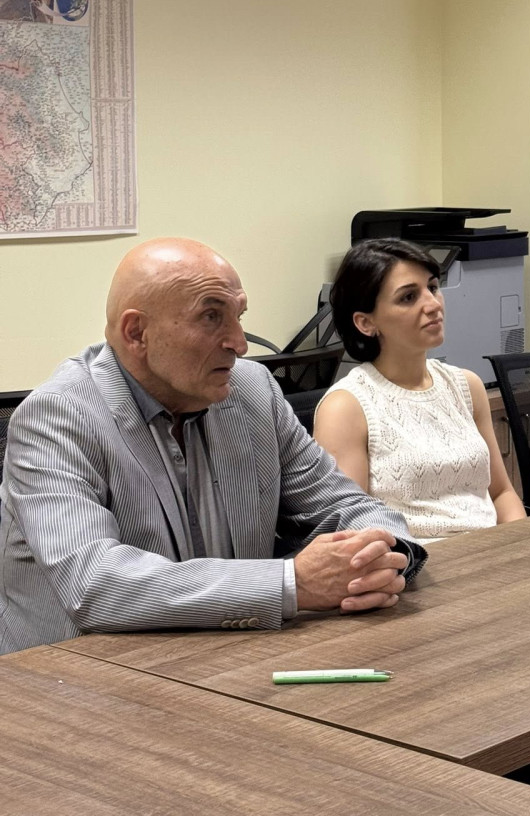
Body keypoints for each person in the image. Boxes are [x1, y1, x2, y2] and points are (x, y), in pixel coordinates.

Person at [0, 238, 425, 655]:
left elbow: (348, 505)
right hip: (75, 675)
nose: (240, 344)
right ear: (137, 332)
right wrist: (292, 583)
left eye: (239, 316)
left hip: (228, 657)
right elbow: (97, 583)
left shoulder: (252, 390)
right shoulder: (56, 418)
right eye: (211, 317)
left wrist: (382, 557)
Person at [313, 237, 526, 536]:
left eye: (433, 287)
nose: (433, 304)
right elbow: (353, 531)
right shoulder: (346, 407)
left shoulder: (467, 386)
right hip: (413, 559)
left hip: (491, 550)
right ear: (365, 323)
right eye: (409, 297)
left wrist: (524, 545)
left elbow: (502, 493)